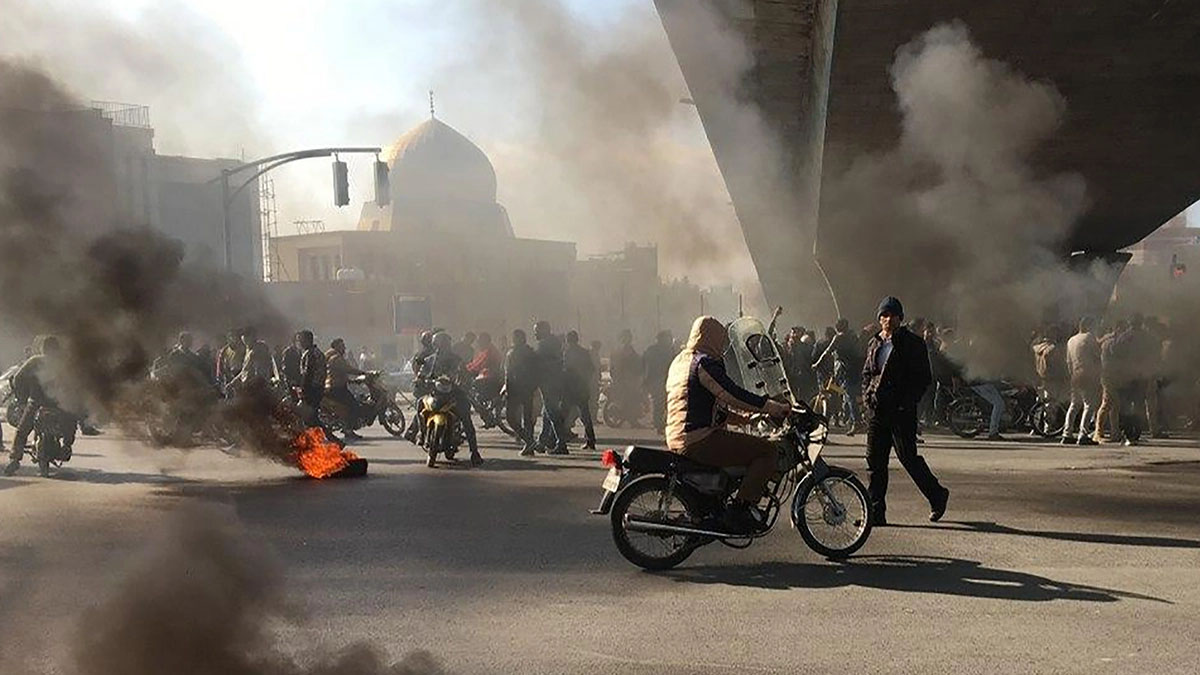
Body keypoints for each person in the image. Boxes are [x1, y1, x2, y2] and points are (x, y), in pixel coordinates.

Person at [666, 316, 791, 534]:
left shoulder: (681, 361)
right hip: (699, 439)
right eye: (721, 340)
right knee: (767, 450)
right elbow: (731, 393)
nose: (723, 347)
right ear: (711, 337)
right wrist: (769, 406)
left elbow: (703, 404)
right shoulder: (704, 362)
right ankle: (741, 509)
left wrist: (744, 419)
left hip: (679, 435)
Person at [861, 297, 949, 525]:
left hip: (900, 413)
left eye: (892, 315)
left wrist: (905, 403)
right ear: (879, 318)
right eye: (884, 315)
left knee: (908, 458)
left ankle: (937, 495)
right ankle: (875, 511)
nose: (888, 319)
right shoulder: (874, 343)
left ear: (900, 318)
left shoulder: (913, 344)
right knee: (874, 461)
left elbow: (923, 379)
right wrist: (867, 397)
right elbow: (867, 374)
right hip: (877, 412)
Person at [5, 336, 76, 476]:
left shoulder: (34, 361)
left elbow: (18, 378)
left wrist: (22, 397)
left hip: (36, 402)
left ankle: (14, 460)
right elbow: (73, 383)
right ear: (57, 349)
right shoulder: (63, 363)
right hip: (59, 404)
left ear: (43, 348)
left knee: (22, 431)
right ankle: (67, 446)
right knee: (71, 421)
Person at [419, 332, 481, 466]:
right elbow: (422, 372)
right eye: (438, 345)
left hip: (454, 393)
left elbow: (464, 374)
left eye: (444, 344)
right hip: (436, 392)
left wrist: (463, 381)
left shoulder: (456, 360)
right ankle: (420, 433)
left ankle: (474, 452)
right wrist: (420, 379)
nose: (441, 347)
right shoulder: (430, 360)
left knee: (466, 418)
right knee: (420, 404)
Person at [815, 318, 865, 434]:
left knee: (849, 395)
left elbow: (827, 352)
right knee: (850, 395)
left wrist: (817, 364)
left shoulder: (838, 338)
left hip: (845, 370)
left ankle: (857, 422)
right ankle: (854, 418)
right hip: (856, 369)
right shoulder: (853, 337)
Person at [1062, 317, 1101, 445]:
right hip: (1087, 374)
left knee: (1074, 404)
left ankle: (1067, 433)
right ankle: (1083, 434)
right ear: (1089, 326)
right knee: (1089, 404)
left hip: (1074, 375)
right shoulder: (1089, 338)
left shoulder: (1071, 340)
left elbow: (1068, 361)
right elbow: (1097, 355)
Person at [533, 321, 567, 454]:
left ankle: (561, 443)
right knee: (546, 413)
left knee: (552, 413)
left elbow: (537, 363)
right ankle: (542, 441)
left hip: (548, 382)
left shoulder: (543, 345)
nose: (535, 333)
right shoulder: (555, 343)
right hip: (556, 381)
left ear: (544, 330)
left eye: (536, 330)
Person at [504, 329, 539, 455]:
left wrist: (507, 389)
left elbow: (508, 374)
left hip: (515, 389)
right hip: (528, 389)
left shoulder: (512, 353)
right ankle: (529, 444)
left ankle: (528, 441)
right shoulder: (531, 352)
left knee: (510, 418)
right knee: (527, 418)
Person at [325, 338, 366, 440]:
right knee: (354, 405)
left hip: (335, 386)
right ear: (336, 347)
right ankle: (348, 430)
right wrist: (363, 373)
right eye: (342, 346)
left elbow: (339, 373)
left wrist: (351, 381)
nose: (344, 348)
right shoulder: (336, 358)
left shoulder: (333, 357)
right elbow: (348, 369)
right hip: (337, 388)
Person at [562, 331, 597, 449]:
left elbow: (565, 370)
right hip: (582, 388)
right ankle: (590, 440)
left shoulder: (567, 353)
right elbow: (591, 369)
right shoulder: (584, 352)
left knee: (563, 414)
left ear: (568, 340)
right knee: (585, 416)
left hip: (570, 389)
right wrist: (585, 380)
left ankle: (560, 439)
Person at [404, 331, 437, 443]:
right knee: (423, 409)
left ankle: (411, 432)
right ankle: (418, 433)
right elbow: (417, 369)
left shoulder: (421, 353)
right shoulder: (426, 354)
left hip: (429, 384)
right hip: (424, 385)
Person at [640, 330, 675, 434]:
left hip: (664, 379)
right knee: (660, 403)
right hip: (658, 379)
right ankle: (659, 424)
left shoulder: (664, 350)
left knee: (662, 403)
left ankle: (661, 424)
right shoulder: (658, 351)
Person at [609, 329, 644, 425]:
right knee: (632, 399)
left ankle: (629, 418)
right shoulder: (626, 350)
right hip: (627, 379)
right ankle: (632, 419)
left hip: (621, 378)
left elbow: (612, 367)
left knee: (628, 399)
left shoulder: (616, 350)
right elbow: (632, 363)